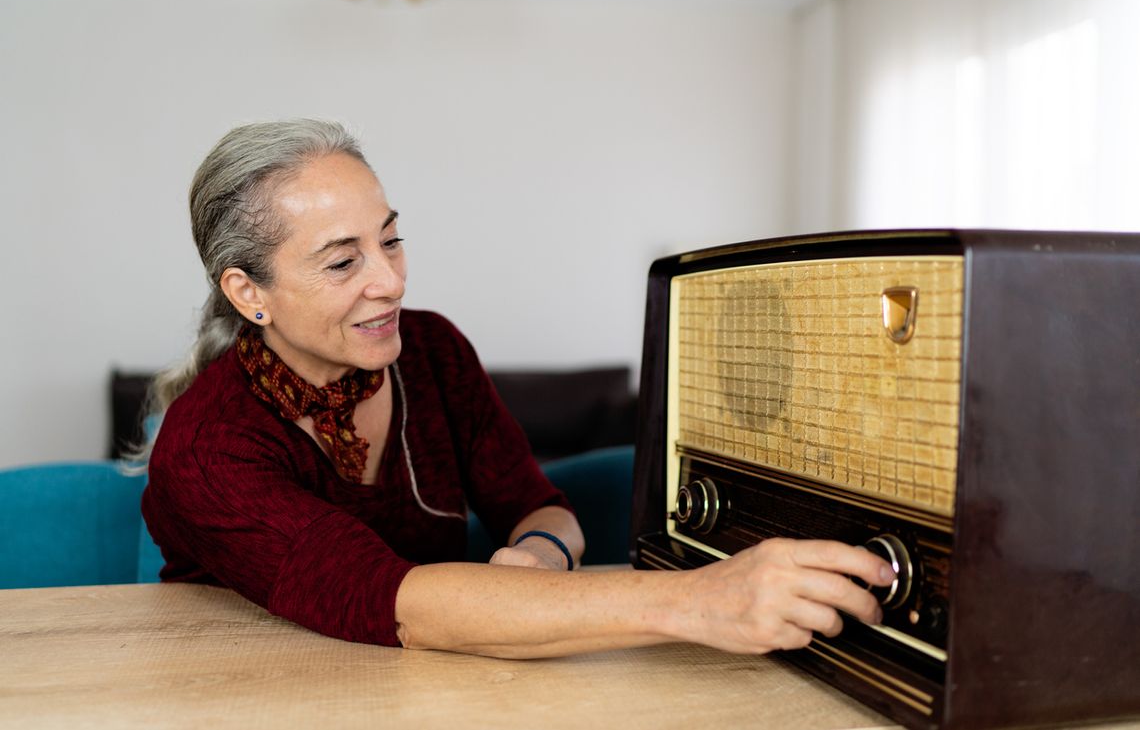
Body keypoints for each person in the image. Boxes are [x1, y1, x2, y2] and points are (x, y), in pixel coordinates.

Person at [141, 118, 895, 659]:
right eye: (343, 263)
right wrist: (706, 599)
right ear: (248, 293)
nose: (390, 280)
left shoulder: (431, 350)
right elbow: (397, 602)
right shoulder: (208, 447)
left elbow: (540, 506)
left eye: (391, 239)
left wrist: (540, 556)